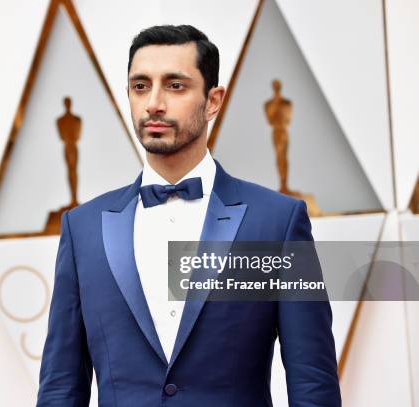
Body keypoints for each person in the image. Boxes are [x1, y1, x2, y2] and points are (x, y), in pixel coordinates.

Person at [37, 24, 341, 406]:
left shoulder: (277, 222)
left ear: (213, 101)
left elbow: (313, 381)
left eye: (175, 85)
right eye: (140, 86)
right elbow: (60, 386)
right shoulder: (82, 229)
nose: (153, 104)